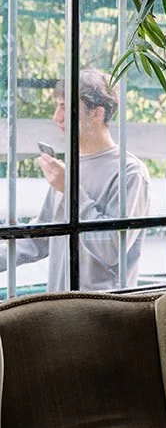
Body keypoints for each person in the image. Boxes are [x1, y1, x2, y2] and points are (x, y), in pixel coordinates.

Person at [1, 69, 151, 292]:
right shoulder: (71, 168)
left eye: (64, 106)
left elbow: (111, 249)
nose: (56, 116)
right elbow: (38, 239)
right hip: (61, 310)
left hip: (104, 315)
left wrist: (70, 190)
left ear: (96, 113)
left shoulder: (130, 172)